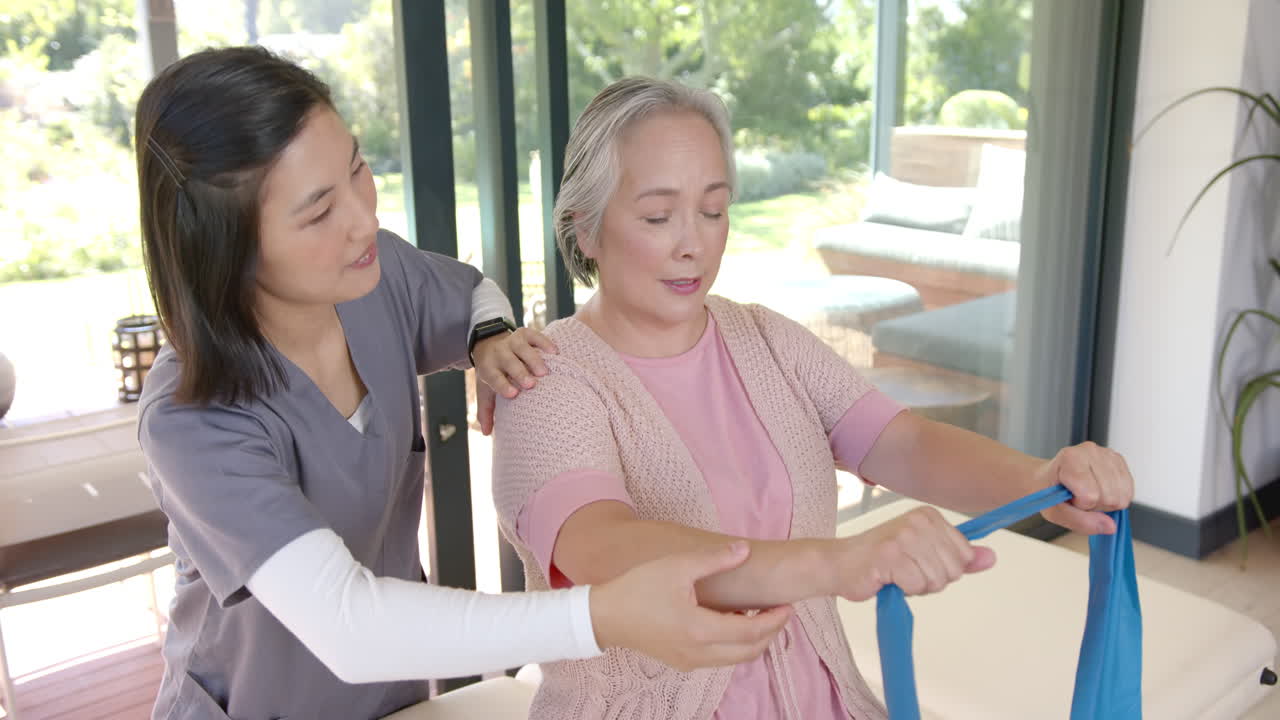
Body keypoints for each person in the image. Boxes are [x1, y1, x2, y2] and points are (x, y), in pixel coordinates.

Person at [134, 48, 792, 720]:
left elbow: (473, 291)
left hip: (392, 703)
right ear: (227, 245)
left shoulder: (372, 274)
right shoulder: (194, 419)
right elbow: (348, 625)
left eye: (357, 168)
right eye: (318, 211)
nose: (365, 217)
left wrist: (490, 340)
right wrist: (600, 616)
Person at [491, 76, 1136, 720]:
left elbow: (902, 443)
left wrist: (1039, 481)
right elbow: (604, 548)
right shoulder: (546, 380)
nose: (694, 243)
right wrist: (838, 562)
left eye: (713, 210)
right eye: (658, 217)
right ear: (585, 230)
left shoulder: (767, 340)